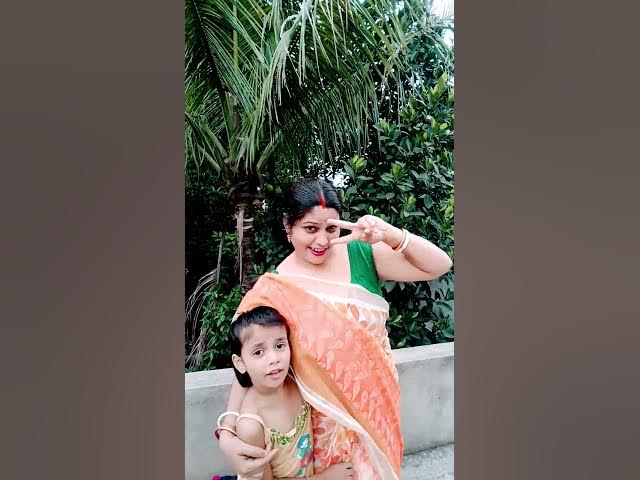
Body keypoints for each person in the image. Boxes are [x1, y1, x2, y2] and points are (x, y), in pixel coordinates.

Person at [217, 178, 453, 480]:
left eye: (331, 229)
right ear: (288, 227)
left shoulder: (362, 255)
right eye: (310, 229)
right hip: (324, 431)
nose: (322, 241)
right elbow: (249, 358)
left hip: (376, 415)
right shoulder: (275, 288)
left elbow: (439, 265)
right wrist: (227, 430)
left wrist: (389, 233)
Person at [226, 305, 354, 480]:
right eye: (258, 352)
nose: (274, 358)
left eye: (280, 345)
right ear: (240, 363)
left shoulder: (295, 380)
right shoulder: (251, 427)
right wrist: (325, 478)